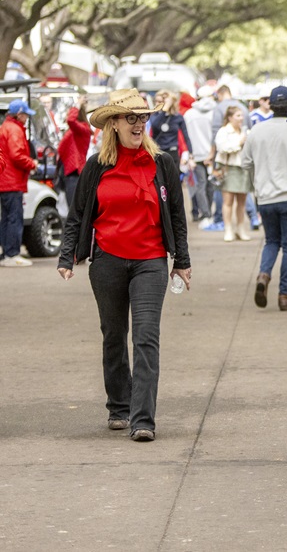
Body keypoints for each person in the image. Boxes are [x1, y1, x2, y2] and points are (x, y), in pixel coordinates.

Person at [56, 88, 191, 441]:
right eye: (130, 118)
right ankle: (119, 405)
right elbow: (78, 214)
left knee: (147, 337)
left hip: (150, 261)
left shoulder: (162, 163)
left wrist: (182, 261)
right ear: (113, 124)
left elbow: (176, 215)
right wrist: (67, 255)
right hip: (107, 262)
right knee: (114, 336)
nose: (138, 124)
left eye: (143, 117)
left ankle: (142, 418)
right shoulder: (96, 167)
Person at [241, 86, 287, 311]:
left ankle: (264, 275)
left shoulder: (257, 131)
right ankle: (285, 295)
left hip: (266, 198)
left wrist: (259, 180)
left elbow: (245, 162)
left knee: (271, 241)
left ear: (270, 105)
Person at [0, 100, 39, 267]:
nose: (27, 118)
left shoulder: (6, 127)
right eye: (25, 115)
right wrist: (32, 164)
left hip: (5, 180)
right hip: (12, 181)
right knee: (14, 218)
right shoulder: (14, 130)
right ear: (19, 114)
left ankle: (7, 253)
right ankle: (12, 254)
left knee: (6, 218)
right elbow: (16, 155)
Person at [214, 105, 252, 242]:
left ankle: (241, 229)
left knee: (242, 202)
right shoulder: (224, 131)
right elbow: (222, 148)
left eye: (242, 115)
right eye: (238, 115)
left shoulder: (244, 130)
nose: (241, 118)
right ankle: (228, 229)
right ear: (230, 117)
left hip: (243, 168)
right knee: (228, 201)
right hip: (229, 168)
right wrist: (239, 142)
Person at [183, 87, 215, 225]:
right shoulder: (214, 112)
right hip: (211, 154)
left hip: (196, 154)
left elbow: (185, 136)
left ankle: (205, 213)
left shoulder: (189, 114)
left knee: (200, 184)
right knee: (210, 184)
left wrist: (189, 155)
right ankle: (209, 213)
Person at [57, 95, 93, 212]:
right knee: (71, 210)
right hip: (69, 172)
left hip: (74, 173)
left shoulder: (82, 129)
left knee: (73, 212)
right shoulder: (77, 130)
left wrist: (77, 105)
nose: (69, 113)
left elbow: (71, 120)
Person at [149, 91, 191, 173]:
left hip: (172, 152)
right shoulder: (155, 116)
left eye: (162, 101)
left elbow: (186, 136)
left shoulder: (177, 117)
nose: (159, 103)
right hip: (158, 152)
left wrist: (190, 154)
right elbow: (154, 125)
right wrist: (164, 110)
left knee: (174, 181)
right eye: (157, 101)